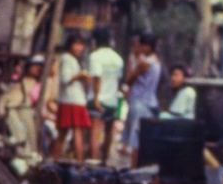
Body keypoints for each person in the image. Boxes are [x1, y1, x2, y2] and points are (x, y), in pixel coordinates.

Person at [121, 32, 162, 166]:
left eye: (143, 45)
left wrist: (131, 62)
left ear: (148, 46)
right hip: (150, 102)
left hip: (140, 102)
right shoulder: (157, 61)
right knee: (142, 138)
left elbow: (129, 79)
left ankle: (134, 167)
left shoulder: (144, 63)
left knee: (136, 140)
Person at [51, 34, 93, 163]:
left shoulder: (72, 59)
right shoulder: (67, 58)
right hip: (72, 100)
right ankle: (78, 162)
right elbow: (65, 78)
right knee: (74, 132)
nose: (79, 48)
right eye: (77, 44)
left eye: (81, 45)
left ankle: (55, 160)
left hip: (71, 100)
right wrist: (81, 75)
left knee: (64, 134)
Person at [87, 27, 125, 165]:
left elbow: (97, 78)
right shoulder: (117, 58)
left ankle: (94, 161)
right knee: (109, 132)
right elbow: (118, 79)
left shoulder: (95, 56)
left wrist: (96, 98)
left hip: (98, 99)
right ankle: (105, 160)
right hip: (112, 100)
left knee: (95, 132)